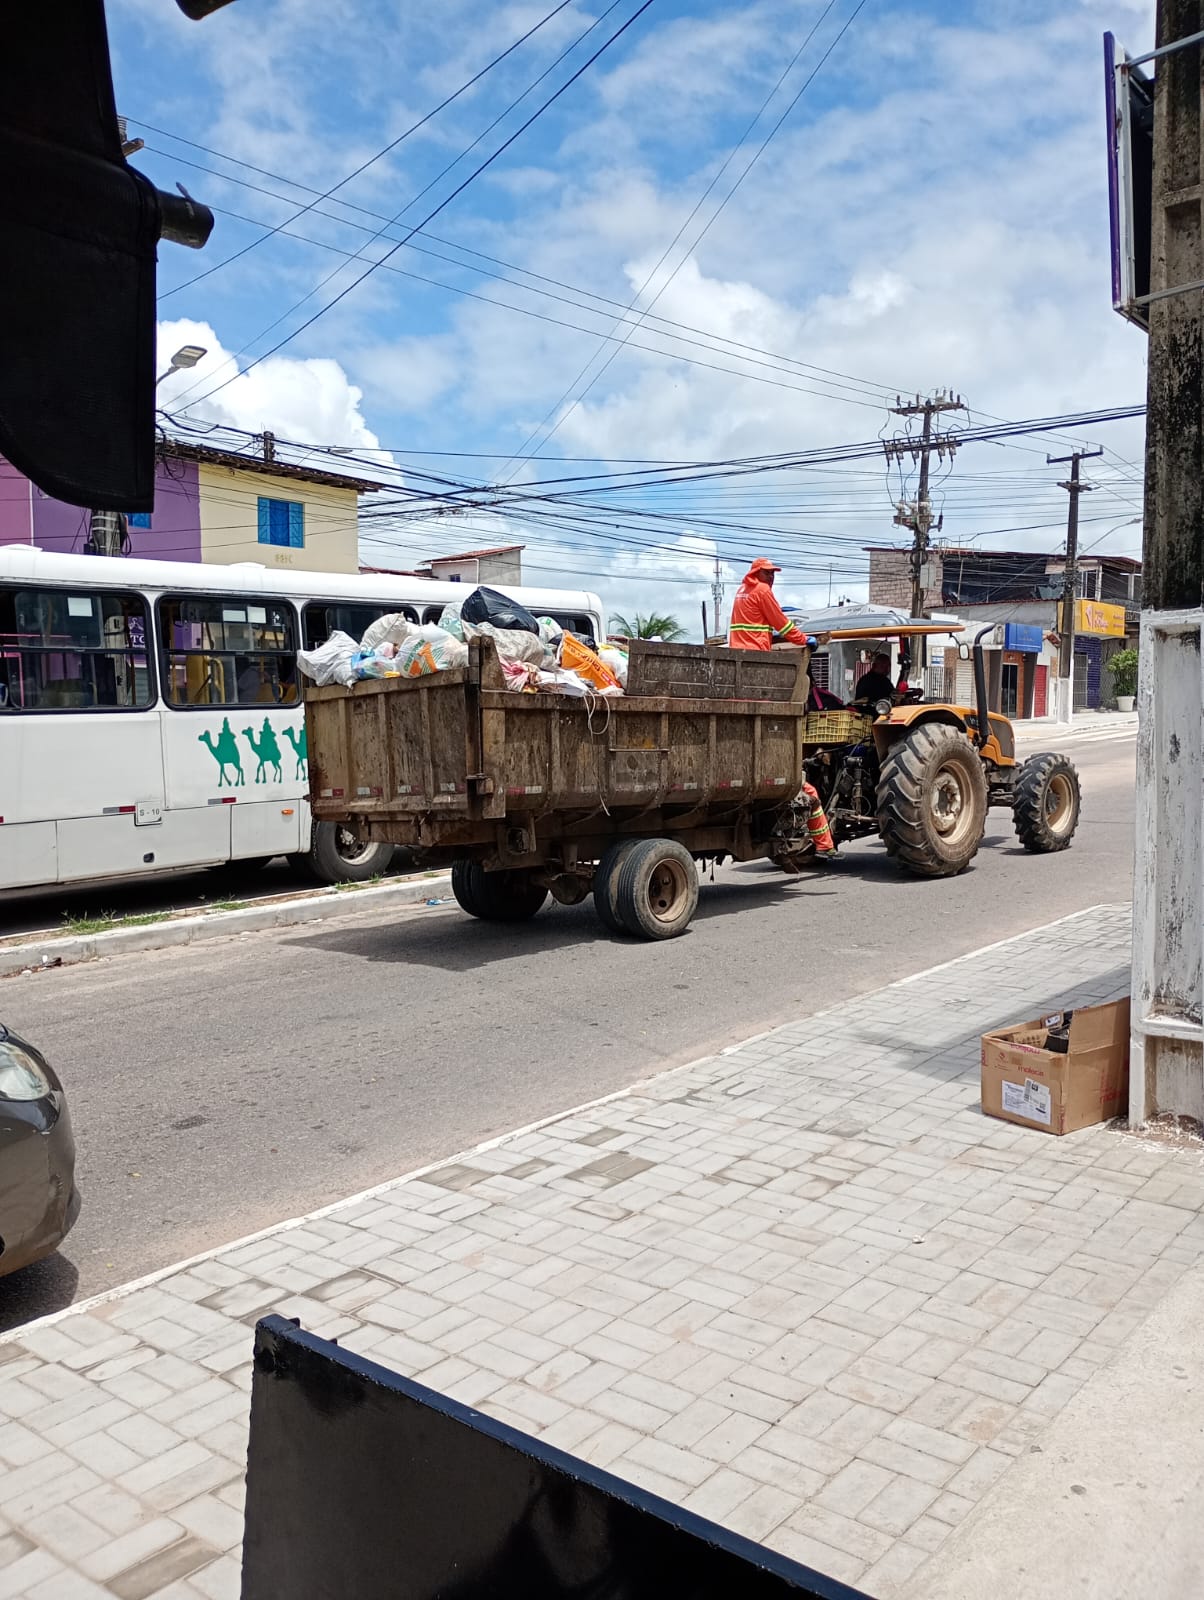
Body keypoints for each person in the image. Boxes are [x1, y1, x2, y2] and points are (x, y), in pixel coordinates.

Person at [728, 558, 809, 650]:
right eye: (766, 573)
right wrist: (803, 639)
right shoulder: (762, 589)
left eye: (772, 573)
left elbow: (752, 614)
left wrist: (776, 609)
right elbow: (781, 623)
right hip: (755, 649)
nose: (771, 577)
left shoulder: (742, 589)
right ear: (755, 573)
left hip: (736, 649)